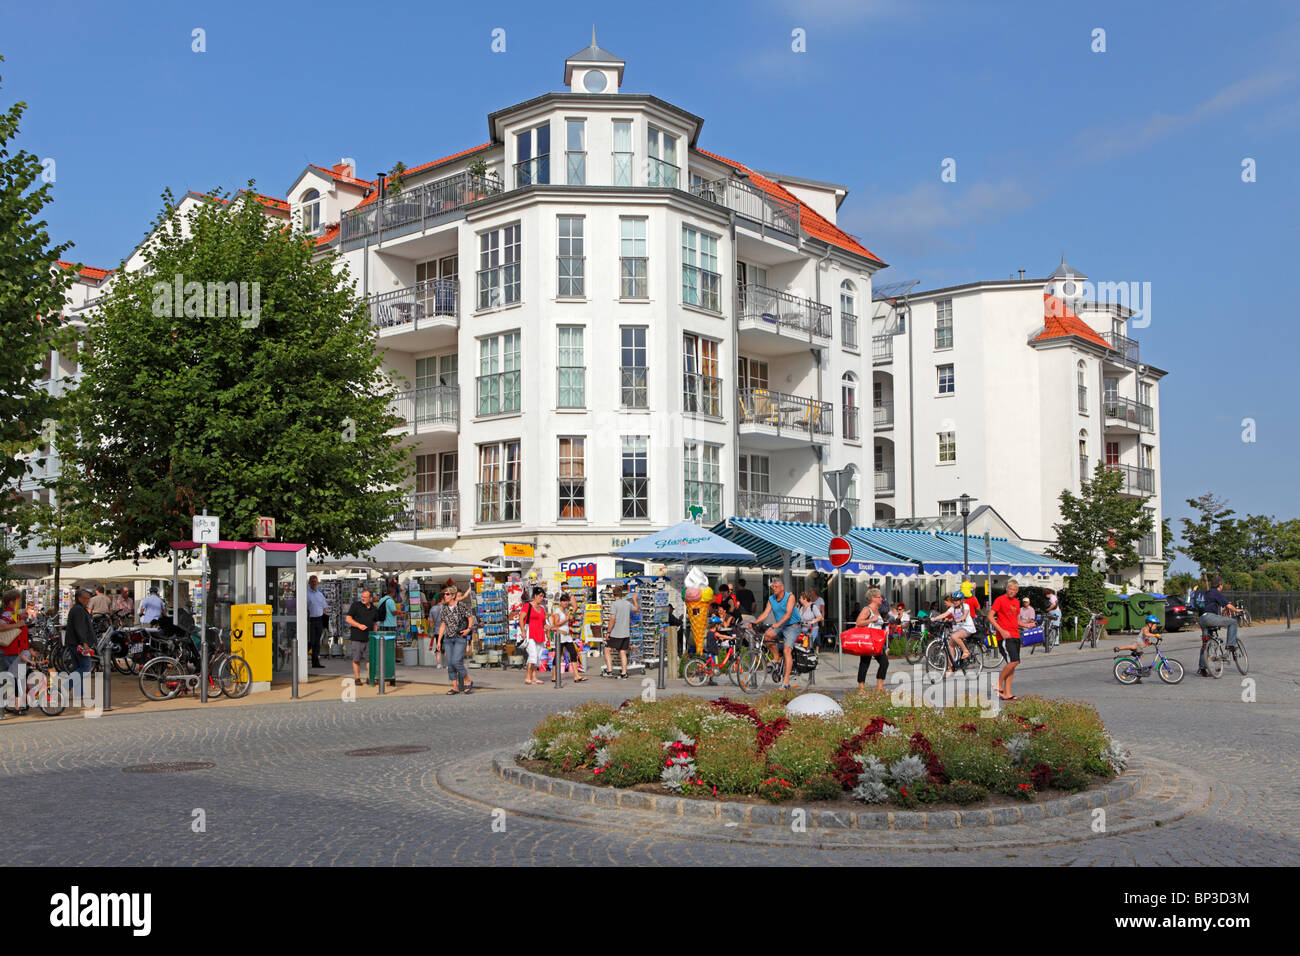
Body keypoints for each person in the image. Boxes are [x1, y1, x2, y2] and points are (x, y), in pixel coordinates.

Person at [753, 579, 800, 689]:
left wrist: (778, 624)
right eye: (772, 587)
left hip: (793, 626)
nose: (773, 588)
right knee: (767, 636)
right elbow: (765, 613)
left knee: (787, 650)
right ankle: (777, 658)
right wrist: (754, 623)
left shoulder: (790, 597)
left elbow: (788, 614)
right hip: (781, 625)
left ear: (782, 588)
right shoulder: (771, 599)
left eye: (776, 586)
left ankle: (786, 681)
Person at [1197, 576, 1240, 677]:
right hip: (1210, 617)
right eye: (1222, 585)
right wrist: (1237, 610)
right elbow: (1227, 605)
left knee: (1205, 643)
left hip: (1202, 619)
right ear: (1220, 585)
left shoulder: (1206, 593)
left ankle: (1202, 668)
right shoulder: (1216, 593)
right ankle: (1230, 645)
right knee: (1233, 622)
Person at [991, 579, 1025, 700]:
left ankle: (1007, 693)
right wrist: (1001, 630)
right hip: (1005, 636)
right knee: (1014, 661)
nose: (1012, 591)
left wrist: (1026, 625)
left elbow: (1016, 620)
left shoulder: (1016, 602)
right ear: (1007, 588)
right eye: (1010, 589)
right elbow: (990, 617)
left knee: (1012, 665)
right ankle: (998, 684)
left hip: (1016, 635)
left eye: (1014, 590)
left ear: (1017, 591)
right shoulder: (1000, 600)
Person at [437, 587, 476, 694]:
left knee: (456, 661)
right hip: (448, 638)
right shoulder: (444, 608)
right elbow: (443, 624)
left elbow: (470, 617)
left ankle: (468, 680)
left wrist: (468, 629)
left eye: (447, 594)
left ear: (453, 595)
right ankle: (455, 687)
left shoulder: (461, 605)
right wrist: (439, 641)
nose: (445, 596)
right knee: (450, 663)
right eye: (444, 594)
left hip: (459, 637)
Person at [1, 588, 30, 715]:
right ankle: (15, 706)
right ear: (12, 602)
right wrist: (18, 624)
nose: (20, 602)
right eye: (18, 600)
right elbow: (1, 626)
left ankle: (16, 704)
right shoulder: (6, 614)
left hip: (15, 651)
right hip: (10, 652)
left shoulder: (12, 614)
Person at [855, 587, 889, 692]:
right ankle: (861, 688)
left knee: (884, 663)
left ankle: (880, 687)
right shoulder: (867, 609)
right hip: (868, 640)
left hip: (877, 642)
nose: (881, 599)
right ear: (873, 598)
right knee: (865, 663)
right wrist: (871, 619)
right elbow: (858, 622)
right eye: (879, 597)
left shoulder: (878, 610)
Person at [344, 588, 378, 686]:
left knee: (370, 659)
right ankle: (357, 678)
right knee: (356, 658)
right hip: (357, 636)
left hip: (369, 637)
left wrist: (375, 634)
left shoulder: (374, 608)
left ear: (370, 598)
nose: (363, 598)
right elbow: (348, 619)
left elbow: (375, 622)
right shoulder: (356, 605)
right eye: (362, 596)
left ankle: (369, 677)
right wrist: (359, 625)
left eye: (365, 597)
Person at [516, 587, 550, 685]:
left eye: (543, 596)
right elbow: (521, 619)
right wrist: (523, 631)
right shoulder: (527, 606)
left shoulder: (542, 609)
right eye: (540, 596)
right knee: (533, 655)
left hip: (540, 633)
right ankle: (528, 676)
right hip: (530, 633)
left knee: (538, 656)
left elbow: (543, 623)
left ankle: (534, 676)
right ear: (535, 596)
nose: (541, 598)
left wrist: (548, 627)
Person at [602, 585, 636, 680]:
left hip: (616, 633)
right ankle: (624, 673)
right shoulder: (627, 603)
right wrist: (635, 600)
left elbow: (612, 619)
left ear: (613, 595)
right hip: (626, 633)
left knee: (607, 650)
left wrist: (608, 631)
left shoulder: (614, 604)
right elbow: (636, 609)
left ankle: (609, 671)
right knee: (622, 652)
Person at [550, 593, 586, 683]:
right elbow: (556, 623)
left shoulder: (566, 610)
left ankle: (576, 676)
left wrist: (569, 619)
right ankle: (554, 676)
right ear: (560, 602)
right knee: (558, 656)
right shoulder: (557, 611)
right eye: (564, 601)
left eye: (567, 601)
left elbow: (573, 611)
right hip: (560, 636)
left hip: (567, 636)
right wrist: (566, 620)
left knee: (573, 653)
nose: (565, 603)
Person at [63, 587, 97, 676]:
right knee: (85, 667)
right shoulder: (79, 609)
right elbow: (80, 628)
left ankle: (79, 690)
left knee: (78, 668)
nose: (88, 600)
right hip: (78, 644)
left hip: (74, 643)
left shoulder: (77, 608)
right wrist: (84, 643)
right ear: (79, 598)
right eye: (86, 598)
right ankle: (66, 686)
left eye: (89, 598)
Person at [306, 575, 329, 669]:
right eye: (312, 581)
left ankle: (316, 662)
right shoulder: (306, 593)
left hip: (319, 619)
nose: (314, 583)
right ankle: (303, 658)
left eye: (315, 581)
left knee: (317, 642)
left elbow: (324, 608)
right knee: (311, 641)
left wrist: (324, 621)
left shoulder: (320, 594)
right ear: (309, 583)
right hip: (310, 620)